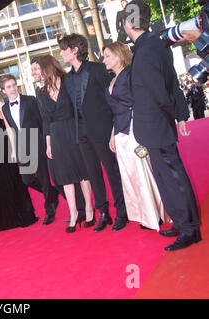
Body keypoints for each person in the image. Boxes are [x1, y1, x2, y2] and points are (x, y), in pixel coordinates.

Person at [123, 0, 201, 251]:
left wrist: (173, 115)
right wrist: (178, 115)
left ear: (128, 24)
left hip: (156, 125)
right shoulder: (155, 44)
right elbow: (170, 83)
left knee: (172, 178)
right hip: (157, 124)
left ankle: (190, 229)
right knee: (166, 177)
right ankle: (181, 221)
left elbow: (160, 91)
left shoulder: (146, 50)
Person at [59, 33, 128, 232]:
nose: (61, 53)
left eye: (64, 49)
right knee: (93, 174)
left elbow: (112, 98)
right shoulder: (67, 78)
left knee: (112, 172)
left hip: (102, 128)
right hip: (81, 132)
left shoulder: (98, 70)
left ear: (74, 50)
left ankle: (122, 212)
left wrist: (115, 127)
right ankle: (103, 213)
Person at [102, 41, 168, 231]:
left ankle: (157, 214)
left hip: (135, 129)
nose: (104, 60)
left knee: (143, 172)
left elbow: (141, 102)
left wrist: (140, 128)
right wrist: (112, 134)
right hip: (120, 131)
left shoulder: (131, 74)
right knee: (130, 175)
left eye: (107, 56)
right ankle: (143, 214)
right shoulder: (111, 81)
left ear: (119, 55)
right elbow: (115, 111)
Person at [36, 56, 95, 232]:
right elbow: (45, 120)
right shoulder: (40, 92)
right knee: (65, 175)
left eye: (39, 69)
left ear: (49, 68)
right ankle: (74, 213)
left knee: (83, 171)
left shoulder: (68, 81)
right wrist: (48, 144)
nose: (38, 73)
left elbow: (79, 108)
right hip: (56, 135)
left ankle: (89, 209)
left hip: (74, 129)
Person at [0, 80, 38, 232]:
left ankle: (19, 217)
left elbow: (9, 129)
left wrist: (14, 150)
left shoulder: (1, 106)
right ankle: (3, 221)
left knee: (11, 182)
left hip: (3, 148)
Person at [0, 74, 60, 226]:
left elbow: (42, 121)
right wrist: (14, 150)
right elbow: (12, 130)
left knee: (44, 178)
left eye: (14, 85)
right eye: (9, 87)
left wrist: (46, 142)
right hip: (21, 146)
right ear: (3, 90)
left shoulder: (30, 100)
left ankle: (50, 210)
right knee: (26, 179)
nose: (12, 89)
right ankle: (52, 193)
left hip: (36, 142)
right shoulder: (5, 108)